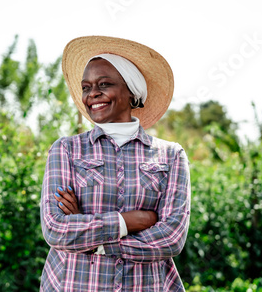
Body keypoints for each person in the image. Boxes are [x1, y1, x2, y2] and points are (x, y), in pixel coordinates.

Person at [40, 36, 191, 291]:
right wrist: (127, 221)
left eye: (104, 84)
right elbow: (56, 229)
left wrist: (95, 240)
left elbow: (171, 238)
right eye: (86, 87)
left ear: (131, 90)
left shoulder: (171, 155)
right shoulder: (66, 150)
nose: (92, 94)